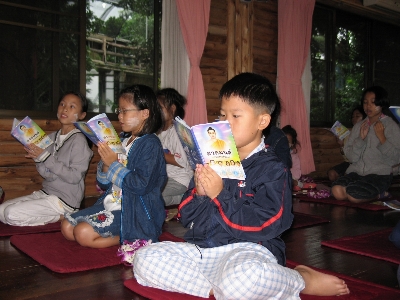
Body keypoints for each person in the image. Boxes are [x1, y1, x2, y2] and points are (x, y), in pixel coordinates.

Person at [133, 73, 350, 299]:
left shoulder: (273, 170)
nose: (225, 122)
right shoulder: (212, 160)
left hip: (248, 254)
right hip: (204, 250)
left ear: (262, 121)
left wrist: (219, 194)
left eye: (235, 116)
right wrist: (199, 193)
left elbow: (270, 224)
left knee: (244, 281)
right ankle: (216, 289)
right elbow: (187, 217)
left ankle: (299, 279)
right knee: (145, 258)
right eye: (222, 114)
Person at [61, 84, 167, 248]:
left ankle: (137, 238)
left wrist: (113, 164)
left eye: (125, 111)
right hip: (112, 203)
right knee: (67, 228)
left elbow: (141, 185)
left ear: (145, 113)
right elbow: (104, 185)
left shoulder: (151, 144)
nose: (120, 116)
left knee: (82, 233)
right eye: (119, 111)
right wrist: (105, 163)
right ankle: (121, 232)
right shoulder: (122, 140)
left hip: (134, 211)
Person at [0, 92, 93, 226]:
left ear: (82, 115)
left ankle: (63, 216)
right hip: (46, 193)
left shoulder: (79, 140)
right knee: (1, 211)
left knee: (10, 213)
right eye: (62, 104)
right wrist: (39, 159)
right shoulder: (50, 138)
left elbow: (74, 177)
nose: (65, 109)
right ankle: (53, 214)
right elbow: (47, 175)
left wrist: (46, 157)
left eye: (72, 106)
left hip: (65, 201)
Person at [331, 86, 400, 203]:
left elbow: (395, 159)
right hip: (356, 172)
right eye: (365, 102)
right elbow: (351, 158)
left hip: (379, 175)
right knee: (337, 191)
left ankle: (380, 194)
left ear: (381, 104)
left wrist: (382, 138)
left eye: (373, 103)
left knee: (354, 196)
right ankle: (364, 193)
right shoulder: (359, 126)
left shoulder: (391, 126)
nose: (368, 106)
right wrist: (360, 140)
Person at [156, 88, 193, 206]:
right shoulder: (159, 132)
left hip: (180, 180)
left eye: (159, 108)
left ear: (172, 108)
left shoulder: (177, 132)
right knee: (147, 194)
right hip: (166, 178)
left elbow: (182, 161)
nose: (156, 112)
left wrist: (158, 154)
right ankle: (180, 199)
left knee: (154, 195)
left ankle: (184, 198)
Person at [327, 106, 366, 182]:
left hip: (362, 164)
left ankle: (345, 184)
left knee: (348, 176)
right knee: (331, 174)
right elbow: (346, 158)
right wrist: (342, 145)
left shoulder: (369, 133)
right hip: (350, 162)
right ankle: (343, 184)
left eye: (357, 116)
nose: (354, 118)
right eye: (353, 117)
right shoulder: (348, 135)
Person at [282, 125, 315, 192]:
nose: (285, 144)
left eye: (288, 142)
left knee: (290, 179)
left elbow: (297, 174)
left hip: (289, 177)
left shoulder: (294, 156)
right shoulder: (274, 154)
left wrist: (287, 173)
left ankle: (299, 185)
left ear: (292, 144)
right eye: (283, 141)